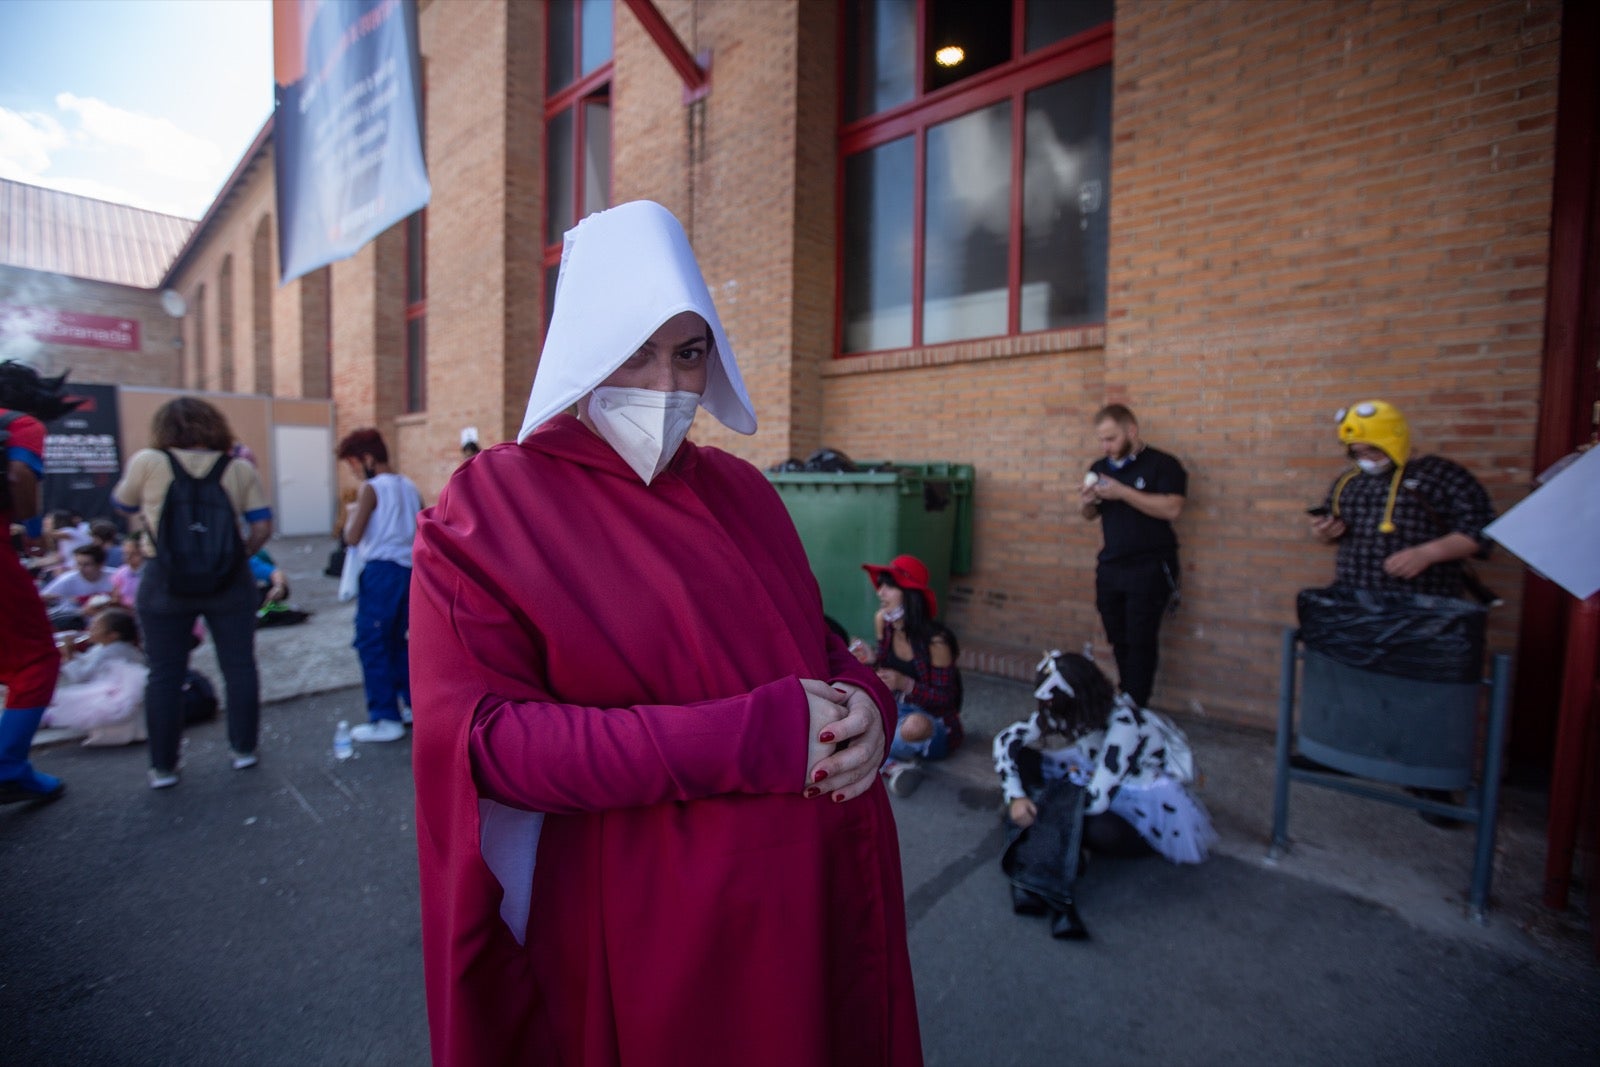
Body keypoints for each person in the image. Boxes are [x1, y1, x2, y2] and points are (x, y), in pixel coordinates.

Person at [410, 200, 919, 1066]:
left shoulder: (745, 490)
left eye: (689, 353)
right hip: (658, 937)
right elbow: (489, 743)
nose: (669, 387)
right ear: (581, 349)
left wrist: (868, 702)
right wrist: (750, 736)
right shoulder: (490, 508)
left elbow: (814, 643)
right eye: (634, 351)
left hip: (819, 903)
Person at [993, 649, 1215, 940]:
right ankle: (1043, 868)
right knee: (1023, 761)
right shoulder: (1067, 711)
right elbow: (1006, 739)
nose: (1051, 714)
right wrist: (1015, 796)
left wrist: (1037, 805)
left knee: (1091, 825)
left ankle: (1034, 878)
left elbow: (1096, 799)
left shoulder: (1125, 724)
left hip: (1138, 810)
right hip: (1089, 777)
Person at [112, 397, 273, 789]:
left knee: (164, 674)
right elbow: (261, 526)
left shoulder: (148, 461)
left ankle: (164, 766)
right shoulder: (237, 468)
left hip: (165, 580)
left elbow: (122, 502)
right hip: (228, 582)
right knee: (239, 666)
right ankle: (243, 750)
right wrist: (237, 556)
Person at [1309, 399, 1495, 599]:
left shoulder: (1440, 473)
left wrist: (1427, 553)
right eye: (1357, 452)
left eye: (1373, 450)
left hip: (1423, 603)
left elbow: (1481, 528)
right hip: (1355, 600)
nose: (1367, 459)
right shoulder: (1349, 481)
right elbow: (1327, 532)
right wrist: (1323, 533)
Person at [0, 360, 81, 803]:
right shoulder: (19, 423)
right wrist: (31, 531)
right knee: (35, 661)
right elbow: (19, 475)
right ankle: (8, 766)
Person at [1078, 403, 1186, 708]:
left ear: (1131, 431)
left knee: (1141, 638)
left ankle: (1136, 706)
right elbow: (1088, 514)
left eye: (1111, 438)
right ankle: (1126, 696)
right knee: (1118, 635)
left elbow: (1173, 508)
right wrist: (1086, 501)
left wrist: (1123, 492)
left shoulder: (1163, 465)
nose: (1105, 446)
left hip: (1150, 565)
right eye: (1101, 440)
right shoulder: (1100, 467)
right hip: (1112, 565)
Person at [336, 427, 422, 742]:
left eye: (353, 465)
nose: (354, 472)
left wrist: (351, 517)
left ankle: (385, 717)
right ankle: (411, 705)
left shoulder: (371, 489)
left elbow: (353, 537)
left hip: (380, 572)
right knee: (398, 641)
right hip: (408, 572)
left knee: (371, 642)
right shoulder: (409, 486)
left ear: (367, 459)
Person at [861, 553, 964, 798]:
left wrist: (904, 683)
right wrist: (872, 660)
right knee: (849, 711)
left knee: (911, 728)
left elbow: (946, 699)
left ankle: (879, 759)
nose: (880, 593)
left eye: (889, 586)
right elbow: (883, 671)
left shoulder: (936, 641)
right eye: (881, 585)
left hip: (930, 720)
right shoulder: (883, 622)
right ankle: (895, 766)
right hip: (894, 709)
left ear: (909, 594)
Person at [44, 608, 148, 746]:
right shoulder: (106, 647)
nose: (90, 629)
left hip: (114, 697)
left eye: (96, 626)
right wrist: (72, 656)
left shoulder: (112, 650)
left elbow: (81, 677)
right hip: (110, 691)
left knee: (61, 703)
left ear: (112, 635)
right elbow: (88, 661)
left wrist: (69, 655)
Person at [40, 543, 116, 628]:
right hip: (75, 623)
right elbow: (43, 596)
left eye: (87, 564)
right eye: (79, 564)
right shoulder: (68, 579)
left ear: (100, 564)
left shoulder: (115, 577)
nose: (81, 568)